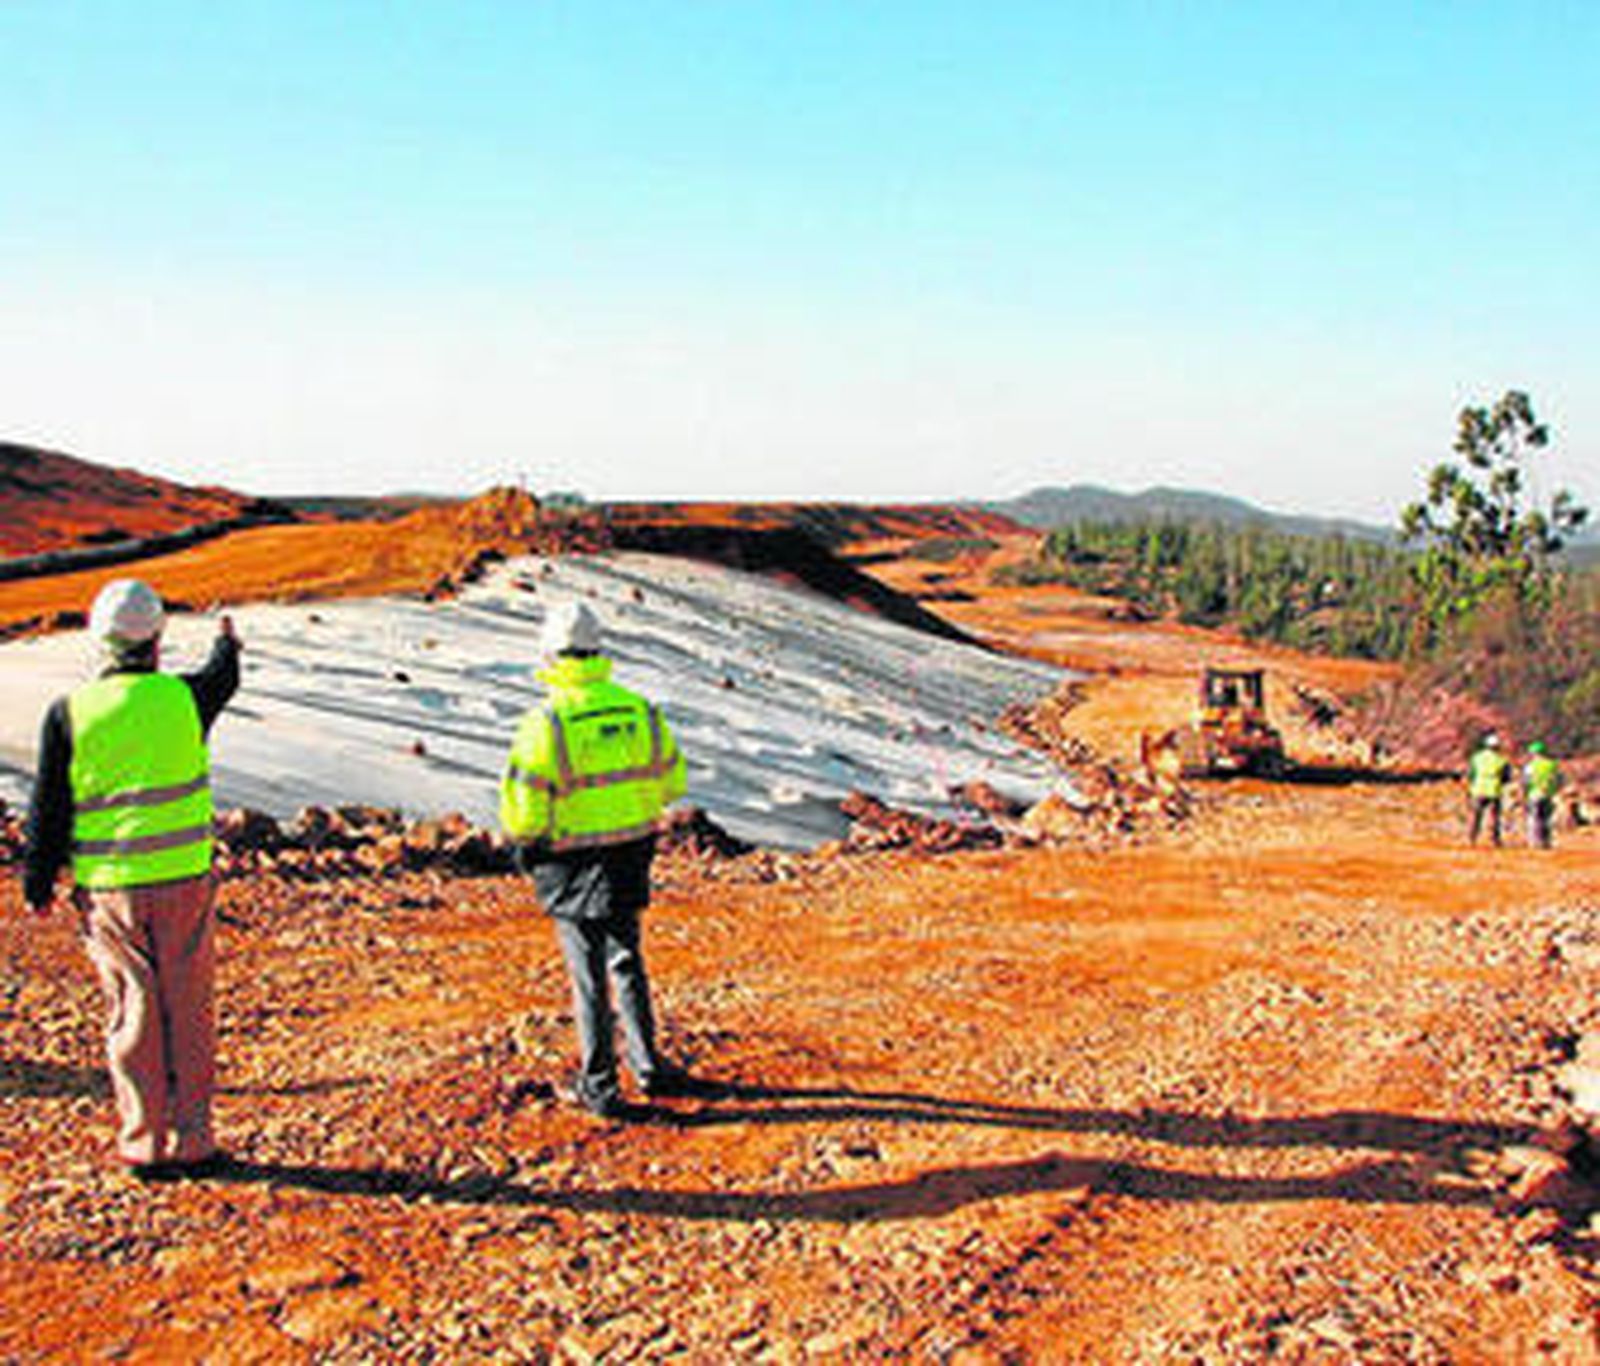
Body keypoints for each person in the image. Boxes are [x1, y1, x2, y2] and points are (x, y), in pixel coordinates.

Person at [23, 580, 240, 1178]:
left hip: (110, 886)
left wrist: (38, 880)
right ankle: (194, 1139)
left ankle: (144, 1141)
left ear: (101, 641)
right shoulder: (181, 698)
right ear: (158, 640)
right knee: (187, 1004)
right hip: (183, 877)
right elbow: (221, 681)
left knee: (133, 1005)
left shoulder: (69, 713)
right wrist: (228, 646)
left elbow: (48, 806)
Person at [499, 601, 701, 1118]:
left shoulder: (545, 722)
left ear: (550, 653)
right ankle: (649, 1066)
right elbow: (671, 781)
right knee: (627, 960)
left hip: (569, 861)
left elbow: (524, 804)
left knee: (586, 975)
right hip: (630, 853)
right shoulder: (638, 708)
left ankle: (600, 1085)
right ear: (598, 649)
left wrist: (527, 844)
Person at [1466, 731, 1511, 847]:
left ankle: (1471, 838)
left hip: (1478, 789)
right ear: (1497, 747)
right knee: (1494, 817)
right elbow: (1506, 778)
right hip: (1494, 790)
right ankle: (1494, 840)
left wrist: (1471, 786)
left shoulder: (1476, 758)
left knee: (1475, 816)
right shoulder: (1502, 760)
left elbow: (1471, 774)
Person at [1522, 740, 1563, 849]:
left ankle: (1534, 842)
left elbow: (1526, 781)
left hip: (1534, 794)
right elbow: (1559, 779)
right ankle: (1546, 841)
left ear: (1533, 753)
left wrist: (1524, 793)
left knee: (1534, 818)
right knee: (1546, 819)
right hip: (1548, 794)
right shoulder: (1552, 765)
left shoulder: (1530, 766)